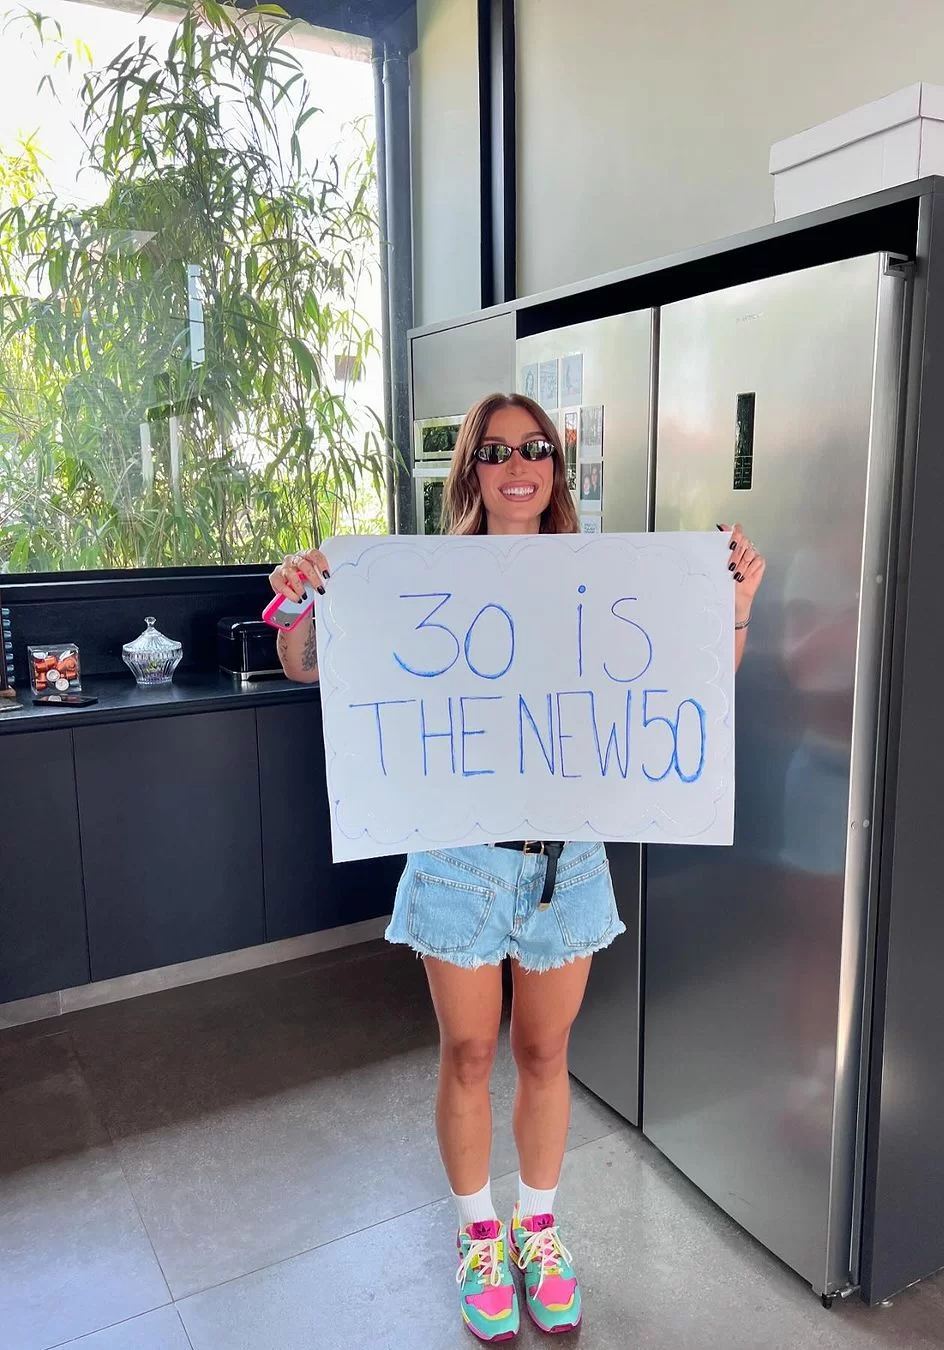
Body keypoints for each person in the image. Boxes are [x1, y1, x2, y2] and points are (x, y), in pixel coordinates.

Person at [269, 392, 765, 1342]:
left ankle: (537, 1227)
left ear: (555, 469)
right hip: (459, 865)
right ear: (473, 472)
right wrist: (303, 597)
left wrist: (732, 610)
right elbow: (302, 665)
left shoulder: (606, 576)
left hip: (565, 867)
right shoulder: (417, 577)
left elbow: (684, 693)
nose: (517, 465)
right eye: (496, 451)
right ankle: (477, 1236)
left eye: (536, 448)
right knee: (469, 1053)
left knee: (544, 1055)